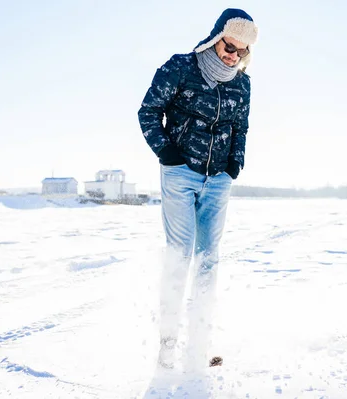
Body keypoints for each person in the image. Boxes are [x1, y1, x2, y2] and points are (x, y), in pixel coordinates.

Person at [137, 9, 258, 371]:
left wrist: (234, 164)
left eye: (240, 50)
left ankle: (199, 346)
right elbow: (148, 111)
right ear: (215, 37)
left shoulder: (242, 83)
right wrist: (167, 152)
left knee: (209, 260)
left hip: (218, 180)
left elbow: (241, 128)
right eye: (228, 44)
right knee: (180, 255)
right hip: (180, 173)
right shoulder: (181, 67)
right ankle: (167, 349)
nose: (232, 54)